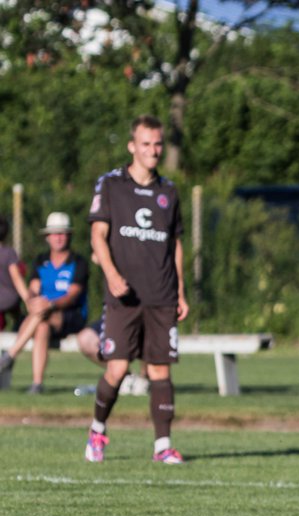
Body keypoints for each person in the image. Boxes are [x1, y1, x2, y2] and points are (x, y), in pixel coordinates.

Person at [84, 115, 188, 464]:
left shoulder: (169, 191)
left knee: (160, 370)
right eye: (145, 144)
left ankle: (163, 446)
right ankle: (97, 430)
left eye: (157, 144)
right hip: (123, 296)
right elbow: (97, 235)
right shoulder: (111, 185)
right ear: (132, 146)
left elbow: (175, 245)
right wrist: (112, 275)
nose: (153, 150)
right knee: (117, 368)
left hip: (161, 295)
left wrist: (181, 291)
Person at [0, 213, 89, 393]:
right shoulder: (41, 261)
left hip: (70, 315)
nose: (58, 237)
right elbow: (33, 288)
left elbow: (71, 296)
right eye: (54, 233)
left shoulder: (78, 262)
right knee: (41, 325)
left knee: (42, 314)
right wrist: (33, 301)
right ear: (47, 237)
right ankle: (37, 384)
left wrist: (50, 304)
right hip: (43, 316)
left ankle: (9, 356)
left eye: (62, 233)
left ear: (69, 235)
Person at [0, 215, 26, 336]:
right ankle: (20, 323)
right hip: (10, 298)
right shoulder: (8, 253)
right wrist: (27, 298)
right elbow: (16, 278)